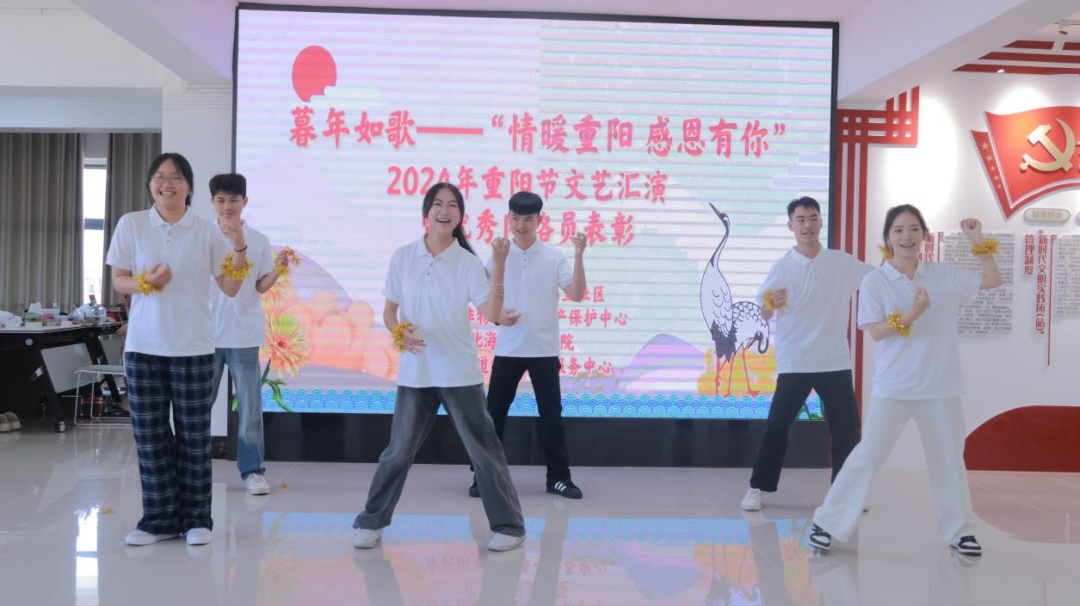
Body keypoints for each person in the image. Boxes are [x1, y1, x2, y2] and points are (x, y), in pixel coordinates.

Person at [809, 205, 1002, 556]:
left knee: (948, 460)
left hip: (941, 387)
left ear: (924, 235)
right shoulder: (875, 281)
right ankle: (827, 523)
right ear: (887, 238)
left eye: (914, 229)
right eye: (898, 230)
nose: (906, 236)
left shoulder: (942, 274)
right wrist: (913, 313)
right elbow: (876, 332)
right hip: (894, 387)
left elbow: (991, 280)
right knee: (867, 456)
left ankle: (960, 531)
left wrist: (978, 241)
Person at [352, 183, 526, 552]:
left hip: (459, 371)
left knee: (484, 451)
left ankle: (510, 527)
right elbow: (389, 312)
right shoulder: (403, 257)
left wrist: (499, 266)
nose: (444, 211)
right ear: (426, 213)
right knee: (398, 452)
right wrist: (398, 331)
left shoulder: (467, 262)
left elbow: (490, 312)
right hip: (416, 371)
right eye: (437, 204)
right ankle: (371, 521)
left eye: (452, 206)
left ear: (460, 216)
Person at [106, 152, 251, 547]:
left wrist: (239, 246)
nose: (166, 183)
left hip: (193, 347)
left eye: (175, 177)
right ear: (150, 183)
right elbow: (119, 280)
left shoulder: (205, 231)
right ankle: (159, 519)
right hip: (143, 347)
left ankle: (197, 519)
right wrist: (146, 282)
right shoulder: (132, 224)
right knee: (150, 437)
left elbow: (231, 286)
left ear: (188, 186)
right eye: (159, 176)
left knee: (194, 437)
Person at [741, 196, 871, 512]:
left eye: (813, 218)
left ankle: (846, 494)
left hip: (834, 360)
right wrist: (770, 303)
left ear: (820, 222)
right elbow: (764, 314)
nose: (807, 225)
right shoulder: (783, 267)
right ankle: (758, 487)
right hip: (795, 361)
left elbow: (876, 279)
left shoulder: (841, 262)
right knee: (777, 426)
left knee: (846, 428)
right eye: (800, 219)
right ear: (791, 225)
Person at [468, 191, 587, 500]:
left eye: (528, 219)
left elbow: (576, 294)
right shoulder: (497, 254)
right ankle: (484, 476)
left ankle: (558, 478)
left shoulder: (553, 257)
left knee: (551, 416)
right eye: (515, 218)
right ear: (509, 219)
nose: (521, 225)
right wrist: (498, 318)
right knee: (494, 414)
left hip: (544, 349)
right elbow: (485, 301)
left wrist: (578, 256)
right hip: (508, 348)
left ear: (539, 221)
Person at [206, 173, 289, 496]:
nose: (227, 206)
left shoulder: (258, 239)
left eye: (233, 199)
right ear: (212, 202)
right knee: (198, 407)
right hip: (206, 336)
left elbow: (260, 286)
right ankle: (191, 467)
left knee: (250, 409)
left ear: (245, 202)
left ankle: (253, 471)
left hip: (243, 335)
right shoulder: (203, 237)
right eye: (221, 200)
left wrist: (277, 270)